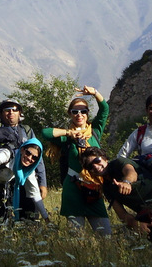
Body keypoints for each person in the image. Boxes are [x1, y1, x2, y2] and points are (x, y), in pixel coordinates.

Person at [42, 85, 111, 235]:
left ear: (87, 114)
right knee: (76, 237)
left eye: (83, 111)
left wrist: (95, 93)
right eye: (75, 112)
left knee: (106, 235)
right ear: (70, 114)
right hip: (73, 189)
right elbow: (45, 133)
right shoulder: (65, 137)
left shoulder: (95, 131)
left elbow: (105, 109)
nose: (79, 115)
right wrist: (69, 133)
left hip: (94, 188)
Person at [80, 146, 152, 237]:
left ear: (104, 158)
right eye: (90, 167)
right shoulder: (107, 188)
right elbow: (122, 215)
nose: (96, 167)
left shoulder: (118, 163)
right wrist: (136, 224)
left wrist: (127, 182)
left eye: (97, 160)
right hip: (150, 218)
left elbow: (131, 172)